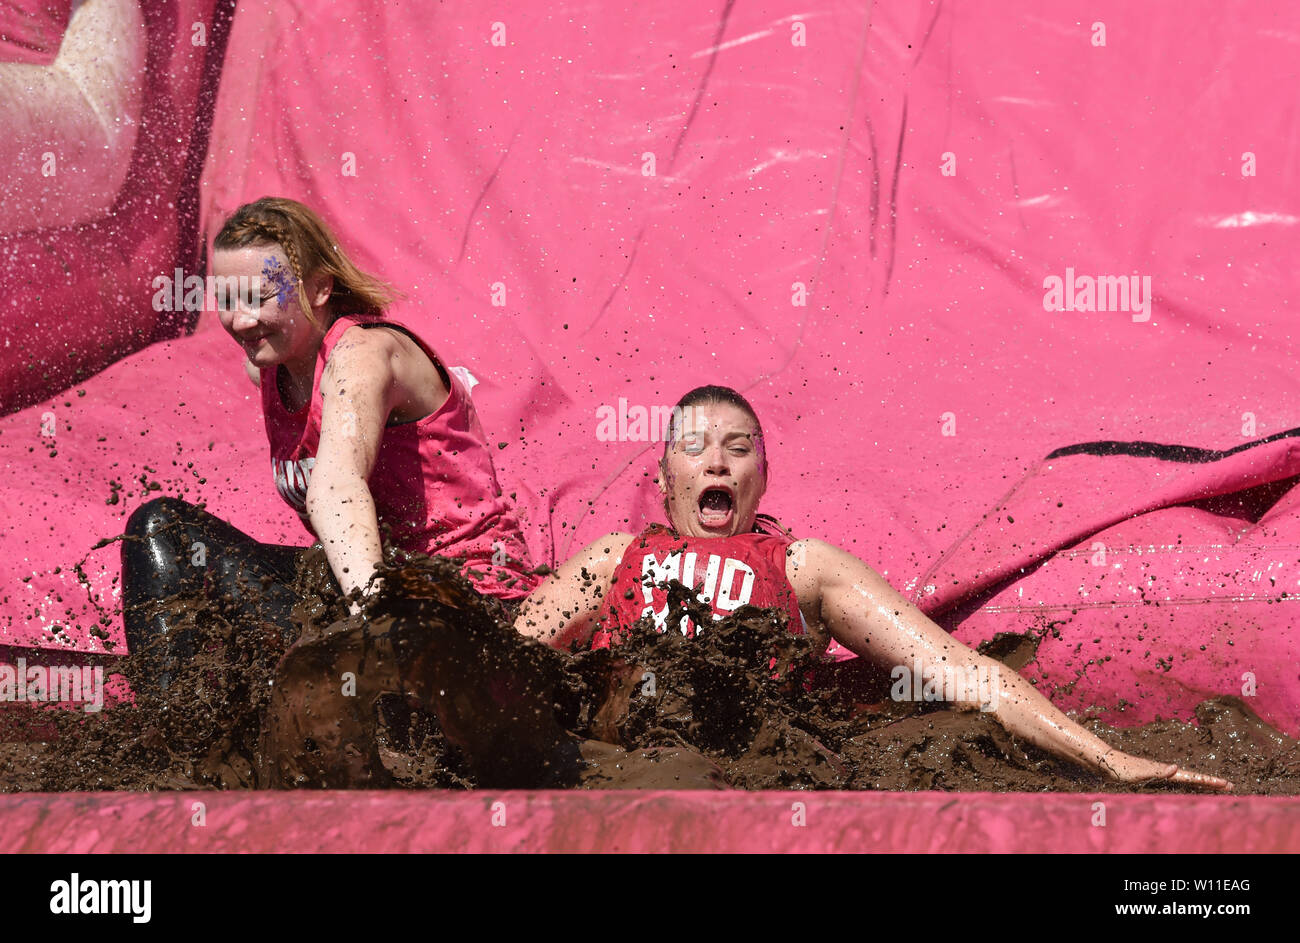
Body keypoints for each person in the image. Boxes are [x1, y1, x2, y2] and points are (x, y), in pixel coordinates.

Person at [514, 384, 1234, 792]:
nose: (719, 464)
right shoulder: (611, 559)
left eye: (739, 450)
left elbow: (961, 673)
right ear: (664, 478)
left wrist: (1111, 760)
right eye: (695, 448)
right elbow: (496, 657)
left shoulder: (805, 568)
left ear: (762, 477)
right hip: (611, 772)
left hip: (742, 782)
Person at [121, 196, 540, 679]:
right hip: (363, 585)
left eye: (258, 298)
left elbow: (336, 485)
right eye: (228, 299)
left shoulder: (363, 354)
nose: (239, 321)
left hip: (464, 603)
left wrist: (376, 635)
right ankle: (175, 734)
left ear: (319, 288)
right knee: (161, 530)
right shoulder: (270, 367)